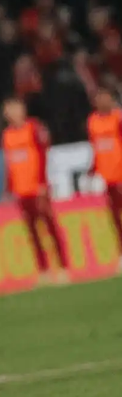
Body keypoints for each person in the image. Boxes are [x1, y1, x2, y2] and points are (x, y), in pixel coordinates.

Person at [1, 97, 69, 284]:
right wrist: (9, 187)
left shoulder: (34, 127)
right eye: (8, 110)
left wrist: (42, 183)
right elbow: (10, 163)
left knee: (50, 226)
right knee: (32, 231)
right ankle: (44, 269)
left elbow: (43, 155)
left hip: (37, 188)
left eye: (14, 108)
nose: (11, 113)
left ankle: (64, 266)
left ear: (22, 109)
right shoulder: (7, 135)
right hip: (21, 190)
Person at [87, 87, 122, 272]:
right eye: (99, 98)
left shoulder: (118, 118)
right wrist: (93, 169)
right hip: (108, 178)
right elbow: (96, 147)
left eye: (105, 97)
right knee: (115, 217)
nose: (102, 102)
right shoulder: (92, 121)